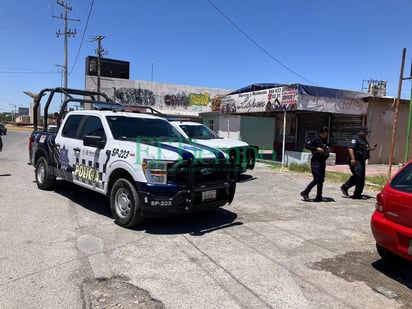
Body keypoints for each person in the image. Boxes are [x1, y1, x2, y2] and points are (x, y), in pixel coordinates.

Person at [341, 126, 377, 199]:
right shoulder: (355, 138)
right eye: (365, 132)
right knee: (358, 175)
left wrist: (370, 149)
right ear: (361, 132)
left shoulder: (363, 140)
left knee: (361, 178)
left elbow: (364, 149)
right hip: (356, 160)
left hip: (361, 160)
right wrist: (352, 159)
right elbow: (350, 148)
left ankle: (357, 194)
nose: (366, 134)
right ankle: (345, 187)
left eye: (367, 133)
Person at [300, 126, 330, 202]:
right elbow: (307, 146)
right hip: (315, 162)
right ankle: (305, 192)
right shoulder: (316, 139)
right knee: (317, 179)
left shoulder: (325, 140)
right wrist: (316, 149)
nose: (325, 135)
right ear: (320, 133)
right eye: (324, 134)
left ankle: (319, 196)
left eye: (326, 134)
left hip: (322, 161)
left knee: (321, 180)